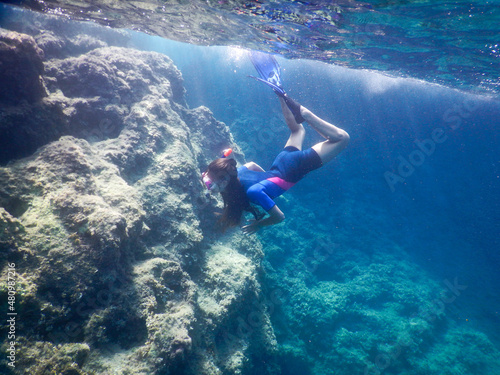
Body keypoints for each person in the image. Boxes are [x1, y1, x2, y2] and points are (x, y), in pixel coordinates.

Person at [202, 52, 349, 234]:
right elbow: (253, 165)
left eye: (210, 183)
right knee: (297, 130)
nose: (210, 188)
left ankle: (306, 115)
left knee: (342, 138)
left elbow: (279, 217)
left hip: (294, 167)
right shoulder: (238, 174)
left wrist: (258, 224)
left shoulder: (252, 193)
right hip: (280, 162)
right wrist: (269, 180)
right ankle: (280, 92)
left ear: (224, 181)